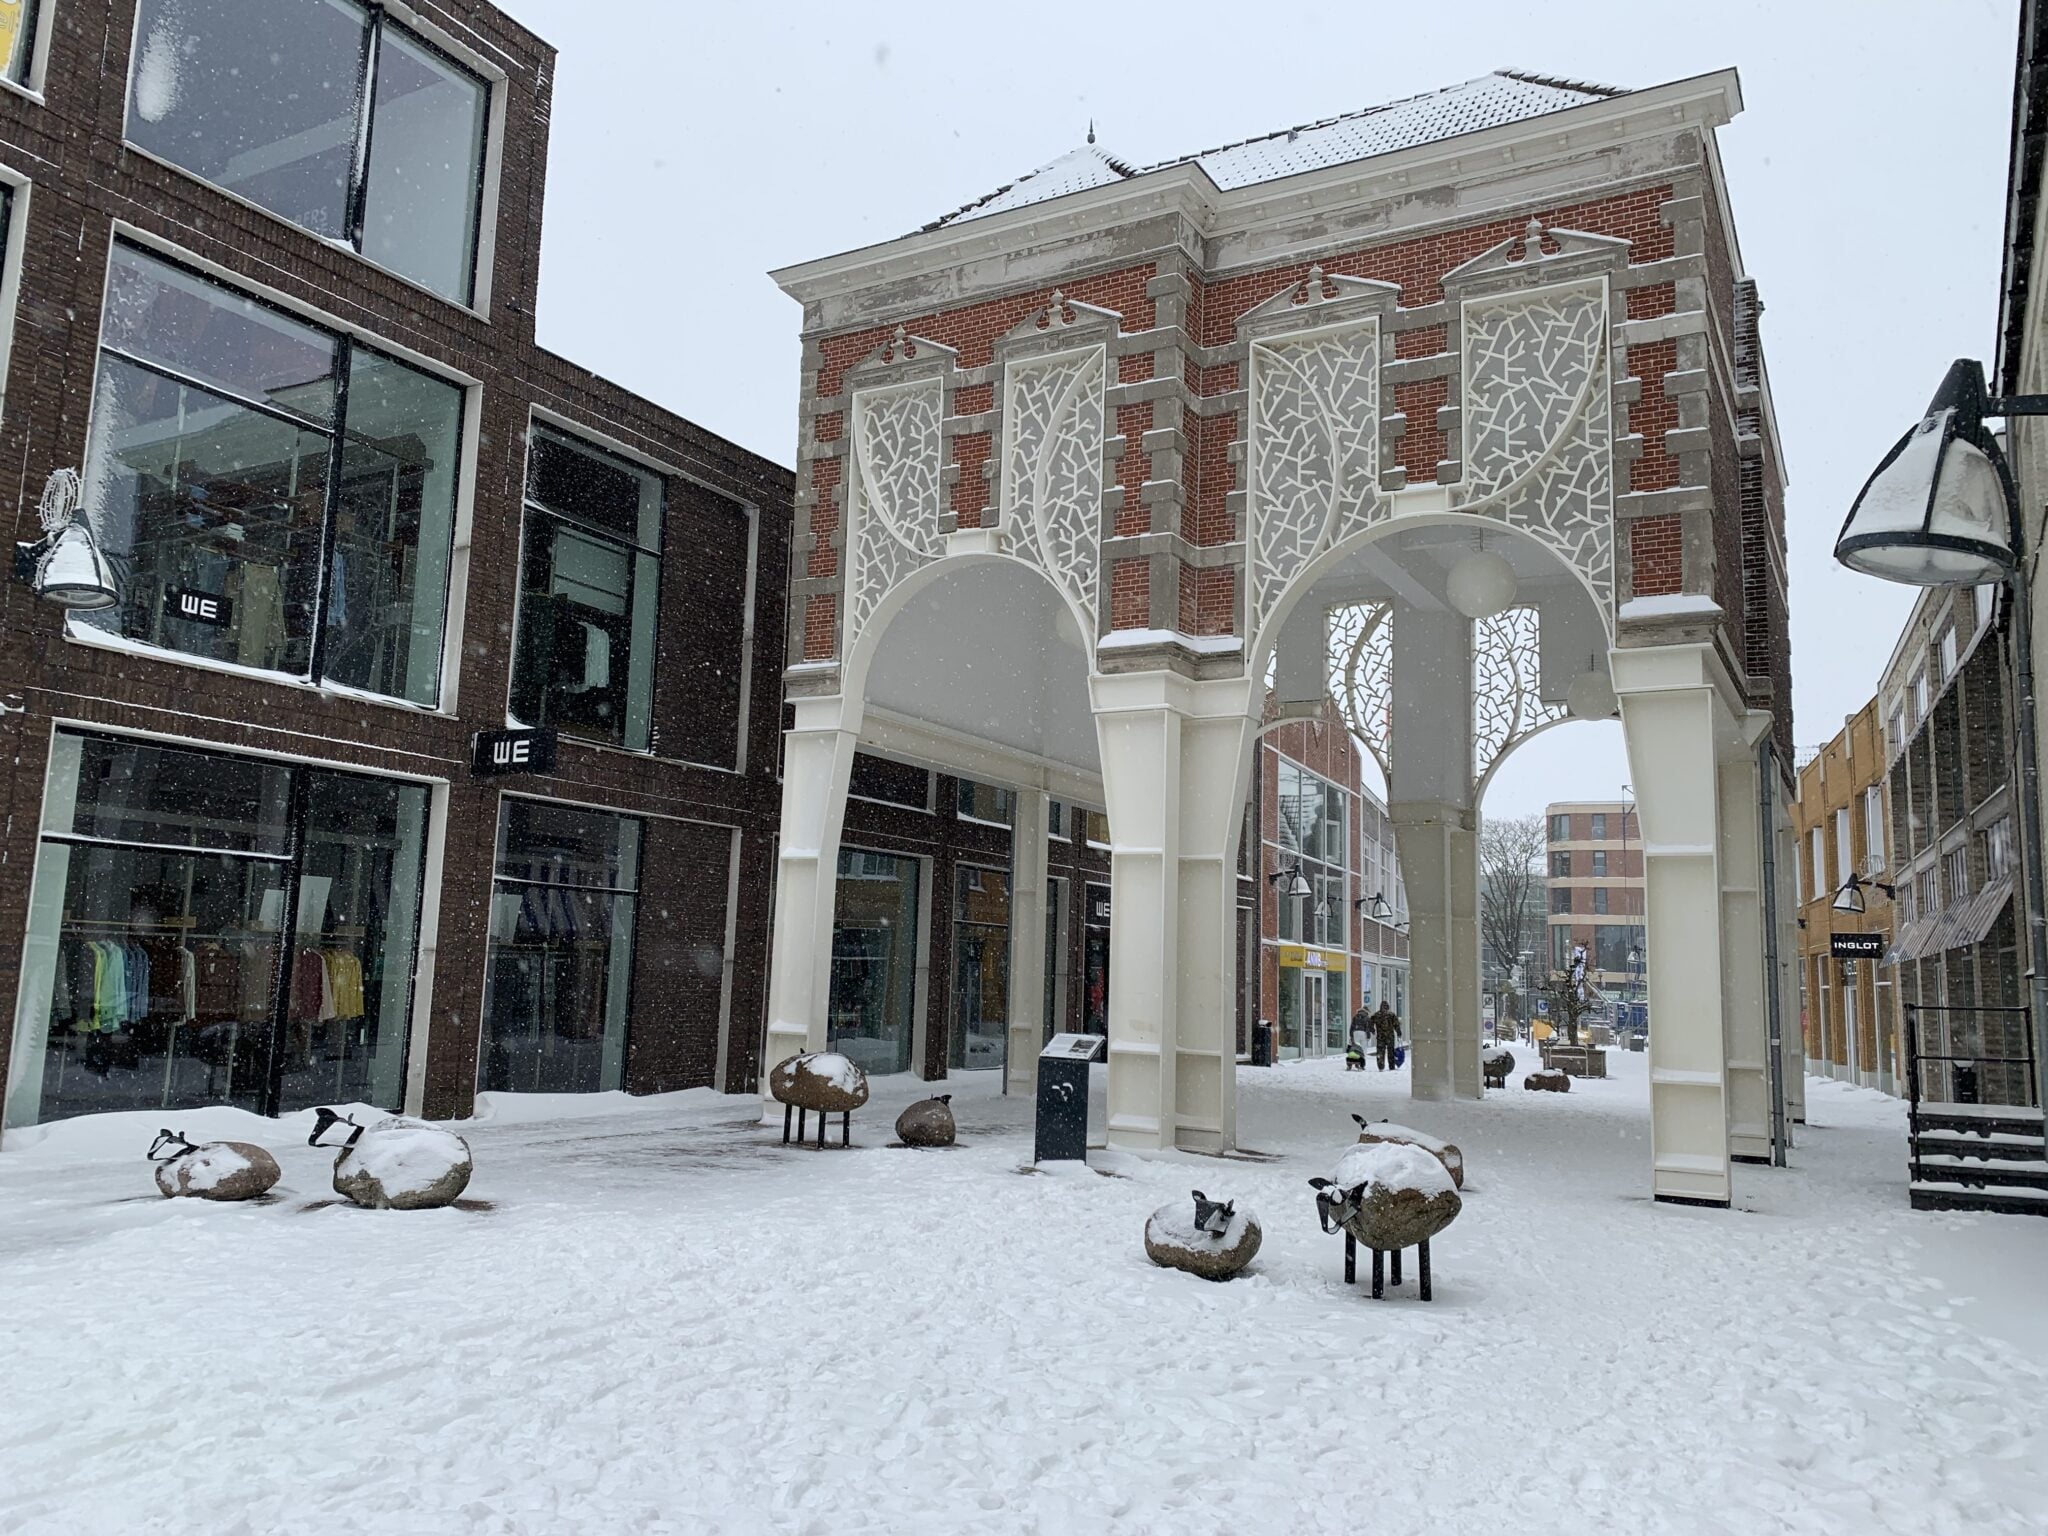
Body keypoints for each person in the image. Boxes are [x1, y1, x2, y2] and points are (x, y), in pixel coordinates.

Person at [1373, 1003, 1401, 1071]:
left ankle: (1380, 1066)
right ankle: (1391, 1066)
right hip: (1390, 1036)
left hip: (1380, 1037)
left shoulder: (1376, 1015)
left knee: (1380, 1051)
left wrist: (1372, 1030)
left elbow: (1371, 1022)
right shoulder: (1391, 1014)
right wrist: (1398, 1032)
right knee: (1391, 1051)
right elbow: (1396, 1024)